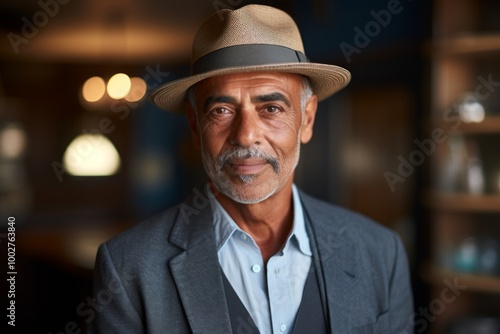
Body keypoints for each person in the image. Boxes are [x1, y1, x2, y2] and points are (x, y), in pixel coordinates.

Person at [90, 4, 414, 334]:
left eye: (271, 108)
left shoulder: (380, 253)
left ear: (308, 118)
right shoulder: (129, 267)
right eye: (221, 110)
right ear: (194, 126)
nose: (245, 135)